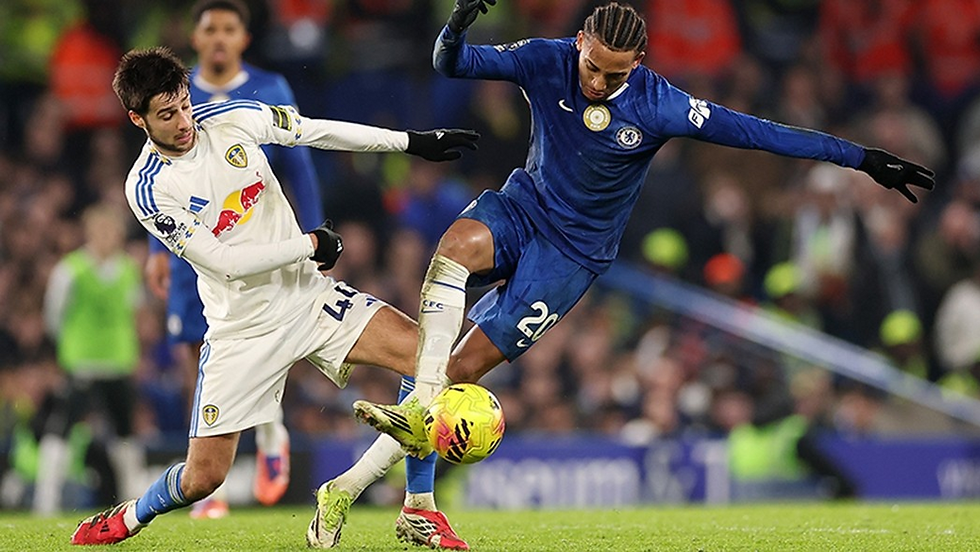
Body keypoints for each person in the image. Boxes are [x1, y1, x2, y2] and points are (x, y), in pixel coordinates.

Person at [347, 1, 934, 547]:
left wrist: (862, 159)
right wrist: (457, 24)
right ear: (579, 42)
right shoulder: (546, 59)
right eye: (593, 67)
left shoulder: (660, 104)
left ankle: (409, 504)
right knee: (449, 268)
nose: (598, 83)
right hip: (523, 209)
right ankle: (418, 495)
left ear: (639, 64)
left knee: (452, 369)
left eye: (615, 75)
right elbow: (451, 63)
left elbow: (762, 134)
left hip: (570, 258)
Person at [69, 46, 478, 547]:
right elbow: (223, 261)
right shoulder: (149, 189)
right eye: (166, 114)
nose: (183, 121)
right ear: (138, 119)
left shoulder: (232, 117)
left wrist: (411, 142)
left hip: (309, 300)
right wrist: (309, 244)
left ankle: (418, 506)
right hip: (242, 331)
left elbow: (314, 130)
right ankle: (131, 516)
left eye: (182, 103)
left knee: (431, 360)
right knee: (205, 478)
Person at [142, 0, 324, 518]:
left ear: (243, 39)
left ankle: (270, 432)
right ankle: (210, 484)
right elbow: (161, 175)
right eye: (210, 29)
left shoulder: (269, 89)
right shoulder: (180, 96)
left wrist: (314, 234)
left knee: (258, 342)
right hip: (191, 249)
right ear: (195, 40)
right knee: (196, 355)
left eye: (229, 29)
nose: (219, 38)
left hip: (256, 245)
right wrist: (158, 250)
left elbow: (301, 168)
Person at [36, 203, 144, 516]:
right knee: (63, 429)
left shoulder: (127, 269)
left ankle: (133, 501)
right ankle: (47, 500)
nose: (108, 238)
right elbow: (54, 315)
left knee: (125, 433)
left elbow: (132, 313)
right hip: (82, 362)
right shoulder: (71, 270)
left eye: (113, 232)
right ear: (90, 234)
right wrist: (67, 349)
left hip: (118, 362)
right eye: (102, 231)